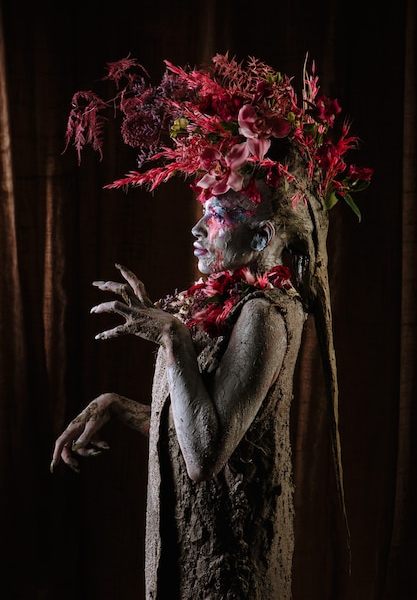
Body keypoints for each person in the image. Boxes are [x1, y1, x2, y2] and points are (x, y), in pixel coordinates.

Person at [51, 54, 372, 599]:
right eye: (205, 208)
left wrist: (171, 337)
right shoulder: (215, 302)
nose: (198, 227)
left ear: (259, 236)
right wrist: (114, 403)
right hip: (186, 561)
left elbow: (202, 458)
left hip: (229, 573)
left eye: (218, 214)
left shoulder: (264, 316)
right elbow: (187, 428)